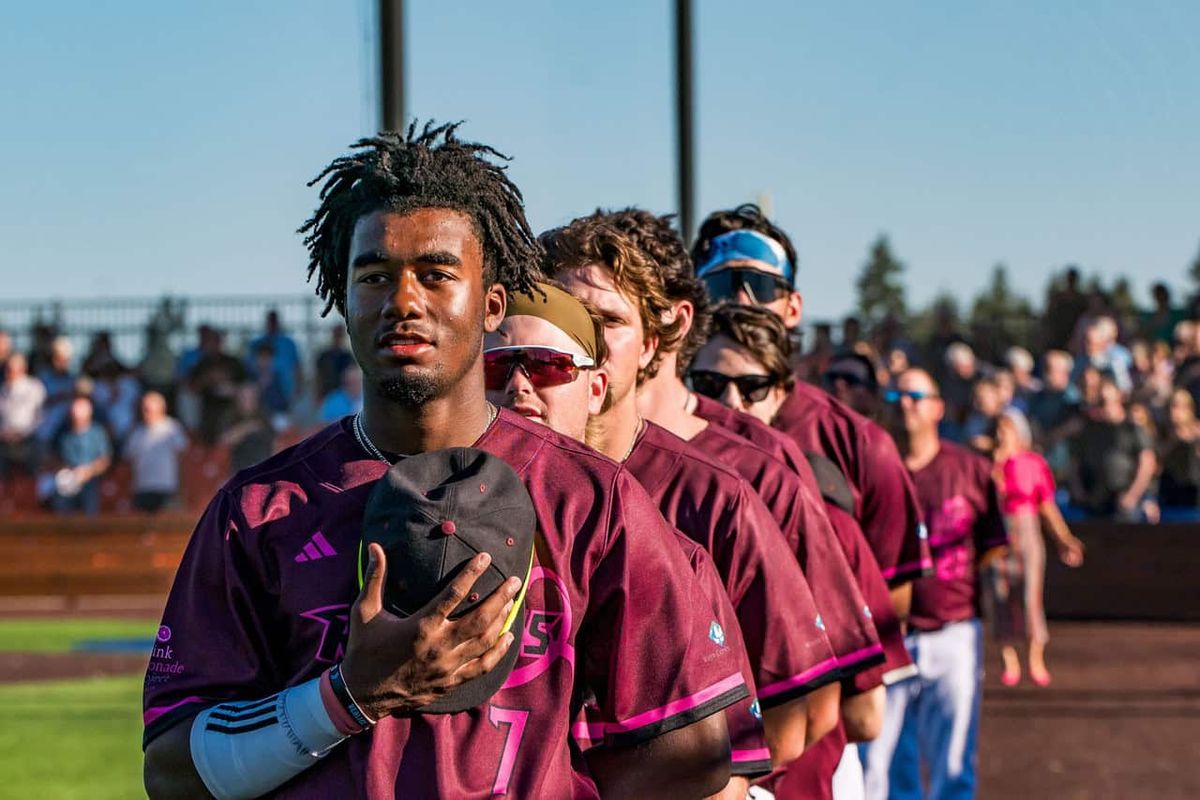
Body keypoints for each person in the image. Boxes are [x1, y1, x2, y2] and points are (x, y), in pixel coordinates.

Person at [143, 123, 743, 799]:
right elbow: (172, 772)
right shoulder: (258, 511)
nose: (404, 302)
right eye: (375, 277)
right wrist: (348, 697)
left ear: (491, 305)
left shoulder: (593, 500)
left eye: (436, 274)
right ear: (343, 301)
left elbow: (691, 757)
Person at [544, 213, 841, 782]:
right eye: (567, 315)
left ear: (652, 343)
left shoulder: (720, 494)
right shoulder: (491, 481)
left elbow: (794, 716)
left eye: (610, 320)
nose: (589, 340)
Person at [596, 208, 890, 770]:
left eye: (760, 284)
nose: (740, 299)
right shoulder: (555, 455)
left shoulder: (779, 460)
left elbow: (840, 706)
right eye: (723, 283)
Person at [483, 280, 770, 793]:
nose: (519, 384)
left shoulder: (667, 550)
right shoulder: (415, 523)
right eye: (496, 366)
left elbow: (723, 775)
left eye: (547, 364)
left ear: (595, 389)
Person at [690, 304, 917, 800]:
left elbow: (865, 715)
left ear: (781, 393)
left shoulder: (817, 502)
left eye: (752, 387)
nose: (729, 403)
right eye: (708, 384)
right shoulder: (647, 489)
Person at [862, 368, 1008, 800]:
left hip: (953, 631)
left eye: (915, 395)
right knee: (881, 765)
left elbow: (991, 548)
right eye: (896, 396)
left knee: (954, 763)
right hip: (887, 635)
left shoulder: (970, 469)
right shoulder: (871, 471)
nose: (904, 404)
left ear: (938, 407)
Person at [986, 410, 1085, 687]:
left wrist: (1063, 538)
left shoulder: (1033, 464)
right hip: (998, 537)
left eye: (1007, 428)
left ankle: (1035, 657)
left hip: (1026, 532)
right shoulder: (987, 464)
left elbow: (1046, 505)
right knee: (999, 595)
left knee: (1030, 597)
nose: (1001, 434)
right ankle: (1009, 659)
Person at [1069, 378, 1157, 520]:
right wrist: (1078, 490)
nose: (1104, 406)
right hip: (1095, 499)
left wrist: (1132, 495)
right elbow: (1076, 462)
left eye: (1106, 401)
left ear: (1119, 399)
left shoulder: (1132, 429)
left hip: (1123, 500)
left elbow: (1147, 464)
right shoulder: (1089, 430)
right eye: (1100, 402)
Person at [123, 391, 189, 513]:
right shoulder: (137, 432)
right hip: (143, 487)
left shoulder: (172, 428)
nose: (145, 413)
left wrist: (181, 488)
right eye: (144, 409)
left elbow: (181, 458)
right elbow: (131, 462)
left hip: (166, 487)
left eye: (148, 409)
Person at [49, 395, 111, 515]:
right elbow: (52, 458)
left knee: (90, 501)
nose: (77, 420)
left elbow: (105, 460)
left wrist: (89, 470)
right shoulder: (62, 432)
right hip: (67, 479)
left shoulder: (98, 433)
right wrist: (65, 470)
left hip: (91, 480)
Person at [0, 353, 46, 478]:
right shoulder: (3, 389)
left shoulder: (34, 387)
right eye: (7, 369)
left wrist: (22, 433)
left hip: (28, 439)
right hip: (4, 440)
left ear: (22, 369)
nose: (9, 373)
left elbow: (40, 417)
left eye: (13, 370)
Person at [1157, 388, 1200, 516]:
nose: (1175, 412)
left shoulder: (1197, 431)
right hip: (1169, 493)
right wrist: (1174, 440)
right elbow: (1158, 462)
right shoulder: (1162, 432)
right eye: (1172, 406)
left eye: (1179, 407)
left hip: (1194, 495)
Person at [247, 309, 303, 406]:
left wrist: (298, 388)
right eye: (270, 321)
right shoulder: (256, 344)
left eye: (274, 321)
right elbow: (249, 366)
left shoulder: (288, 343)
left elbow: (297, 367)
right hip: (260, 392)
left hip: (285, 390)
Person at [314, 325, 356, 400]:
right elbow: (318, 377)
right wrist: (318, 394)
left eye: (340, 335)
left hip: (344, 395)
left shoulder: (347, 357)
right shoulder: (324, 356)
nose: (338, 338)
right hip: (326, 393)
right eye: (337, 335)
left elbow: (353, 376)